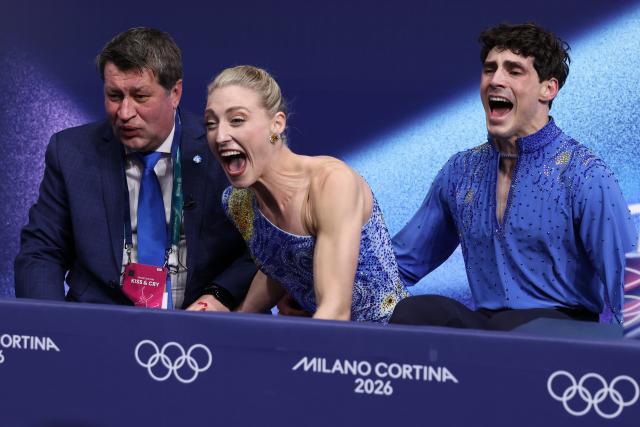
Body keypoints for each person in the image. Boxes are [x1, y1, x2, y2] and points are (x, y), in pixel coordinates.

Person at [390, 23, 638, 330]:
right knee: (418, 312)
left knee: (510, 326)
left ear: (548, 88)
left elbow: (631, 287)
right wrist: (320, 290)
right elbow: (399, 263)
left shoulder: (585, 174)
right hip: (491, 331)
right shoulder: (460, 171)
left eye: (514, 70)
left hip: (564, 337)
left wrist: (622, 367)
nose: (495, 79)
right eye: (489, 69)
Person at [14, 28, 255, 311]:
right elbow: (41, 251)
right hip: (98, 321)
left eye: (140, 96)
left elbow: (256, 249)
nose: (125, 112)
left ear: (175, 93)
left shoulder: (220, 150)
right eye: (114, 96)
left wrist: (219, 295)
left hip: (197, 326)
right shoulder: (70, 152)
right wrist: (51, 328)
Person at [204, 65, 408, 322]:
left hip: (390, 348)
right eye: (211, 123)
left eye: (237, 120)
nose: (220, 135)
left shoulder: (331, 184)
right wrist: (235, 323)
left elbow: (334, 311)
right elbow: (282, 264)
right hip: (319, 338)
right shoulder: (237, 202)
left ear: (276, 124)